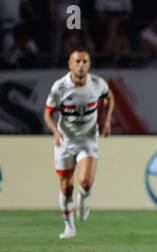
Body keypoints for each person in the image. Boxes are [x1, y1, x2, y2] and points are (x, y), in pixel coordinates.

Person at [43, 49, 115, 239]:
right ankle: (69, 227)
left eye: (85, 61)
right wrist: (55, 131)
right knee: (66, 187)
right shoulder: (60, 87)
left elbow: (109, 97)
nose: (81, 65)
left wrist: (107, 121)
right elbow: (48, 113)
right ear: (70, 64)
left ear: (89, 64)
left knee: (85, 182)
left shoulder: (98, 84)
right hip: (65, 142)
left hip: (88, 140)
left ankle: (83, 200)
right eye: (77, 61)